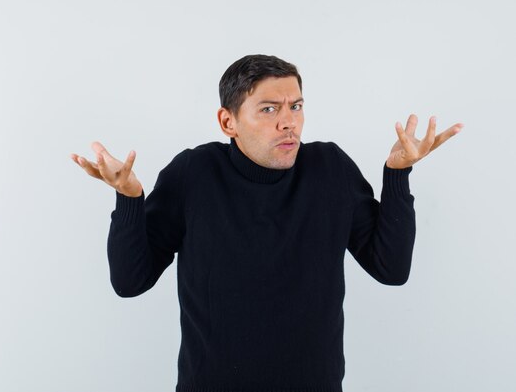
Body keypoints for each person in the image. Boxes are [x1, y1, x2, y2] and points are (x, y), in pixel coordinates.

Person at [71, 54, 463, 392]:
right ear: (228, 122)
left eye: (296, 106)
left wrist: (398, 173)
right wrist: (128, 199)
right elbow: (129, 281)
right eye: (269, 109)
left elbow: (391, 270)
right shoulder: (194, 174)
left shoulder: (331, 169)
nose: (288, 122)